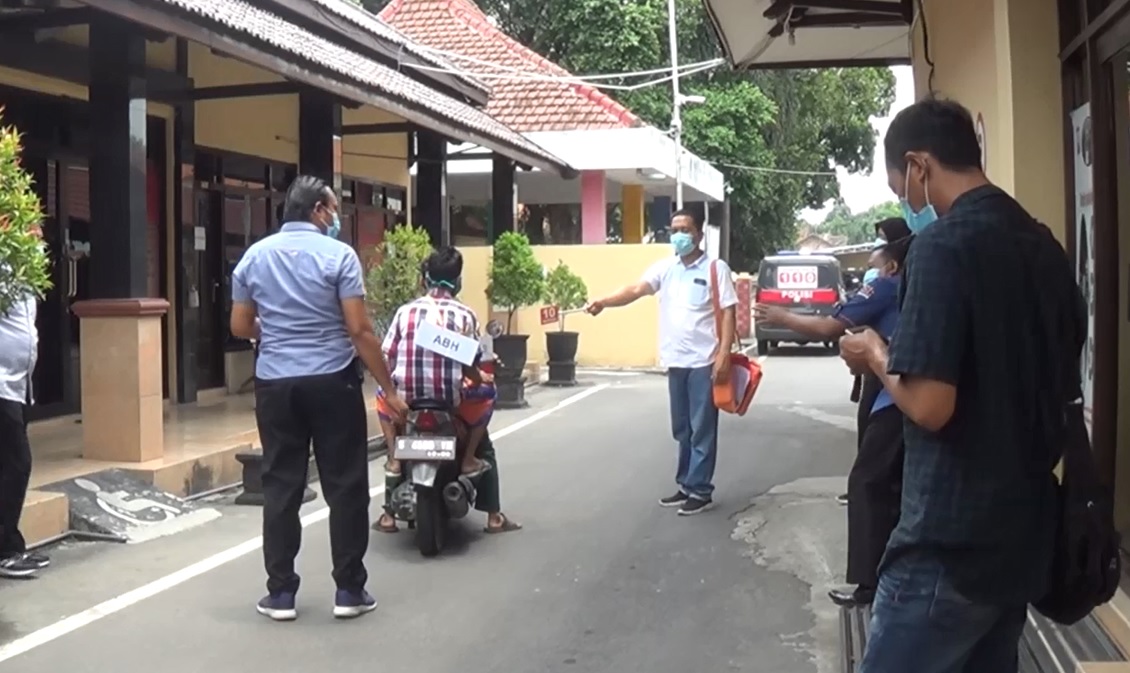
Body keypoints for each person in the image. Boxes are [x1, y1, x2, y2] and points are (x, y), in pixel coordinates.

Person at [839, 97, 1079, 673]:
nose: (907, 201)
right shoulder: (1043, 245)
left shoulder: (940, 248)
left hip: (947, 545)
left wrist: (874, 351)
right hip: (1022, 536)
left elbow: (929, 404)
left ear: (920, 166)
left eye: (902, 185)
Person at [230, 175, 407, 622]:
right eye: (333, 209)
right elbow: (360, 330)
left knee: (281, 485)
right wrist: (389, 388)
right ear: (317, 211)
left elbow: (239, 326)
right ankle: (349, 590)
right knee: (345, 485)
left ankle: (281, 594)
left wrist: (268, 334)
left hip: (275, 383)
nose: (337, 218)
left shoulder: (254, 257)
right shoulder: (339, 256)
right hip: (333, 381)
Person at [755, 232, 910, 607]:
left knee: (868, 482)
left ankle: (871, 584)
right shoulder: (912, 285)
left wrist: (781, 316)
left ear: (891, 264)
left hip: (895, 393)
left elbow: (830, 327)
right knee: (888, 484)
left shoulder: (887, 287)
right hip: (894, 386)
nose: (870, 274)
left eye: (874, 265)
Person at [586, 209, 737, 515]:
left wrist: (722, 354)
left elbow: (729, 311)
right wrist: (604, 302)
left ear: (699, 234)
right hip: (676, 362)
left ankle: (700, 489)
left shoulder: (714, 268)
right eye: (674, 229)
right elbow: (636, 290)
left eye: (685, 229)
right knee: (682, 428)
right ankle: (685, 484)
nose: (679, 235)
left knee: (702, 427)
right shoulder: (665, 268)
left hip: (704, 362)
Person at [373, 247, 521, 535]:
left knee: (382, 394)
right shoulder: (465, 316)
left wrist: (394, 385)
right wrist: (480, 379)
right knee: (486, 424)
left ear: (425, 278)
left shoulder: (405, 312)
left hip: (407, 403)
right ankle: (486, 501)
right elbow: (469, 368)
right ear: (458, 280)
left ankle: (393, 461)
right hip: (447, 403)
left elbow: (386, 355)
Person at [0, 221, 50, 579]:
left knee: (10, 465)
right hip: (1, 384)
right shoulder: (6, 265)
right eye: (28, 228)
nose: (37, 235)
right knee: (17, 464)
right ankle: (6, 550)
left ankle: (8, 545)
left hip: (17, 385)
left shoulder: (23, 272)